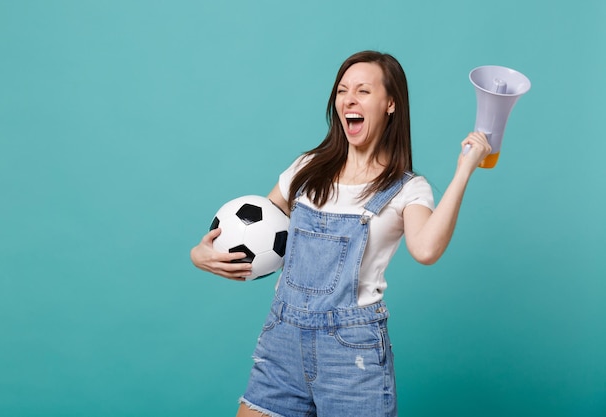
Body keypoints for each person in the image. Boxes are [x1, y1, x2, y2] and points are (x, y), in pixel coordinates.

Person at [191, 50, 491, 417]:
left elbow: (426, 249)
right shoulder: (305, 169)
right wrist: (202, 255)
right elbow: (256, 234)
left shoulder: (407, 189)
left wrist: (463, 171)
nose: (349, 99)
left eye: (363, 91)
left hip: (352, 355)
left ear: (390, 103)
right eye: (342, 90)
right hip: (281, 342)